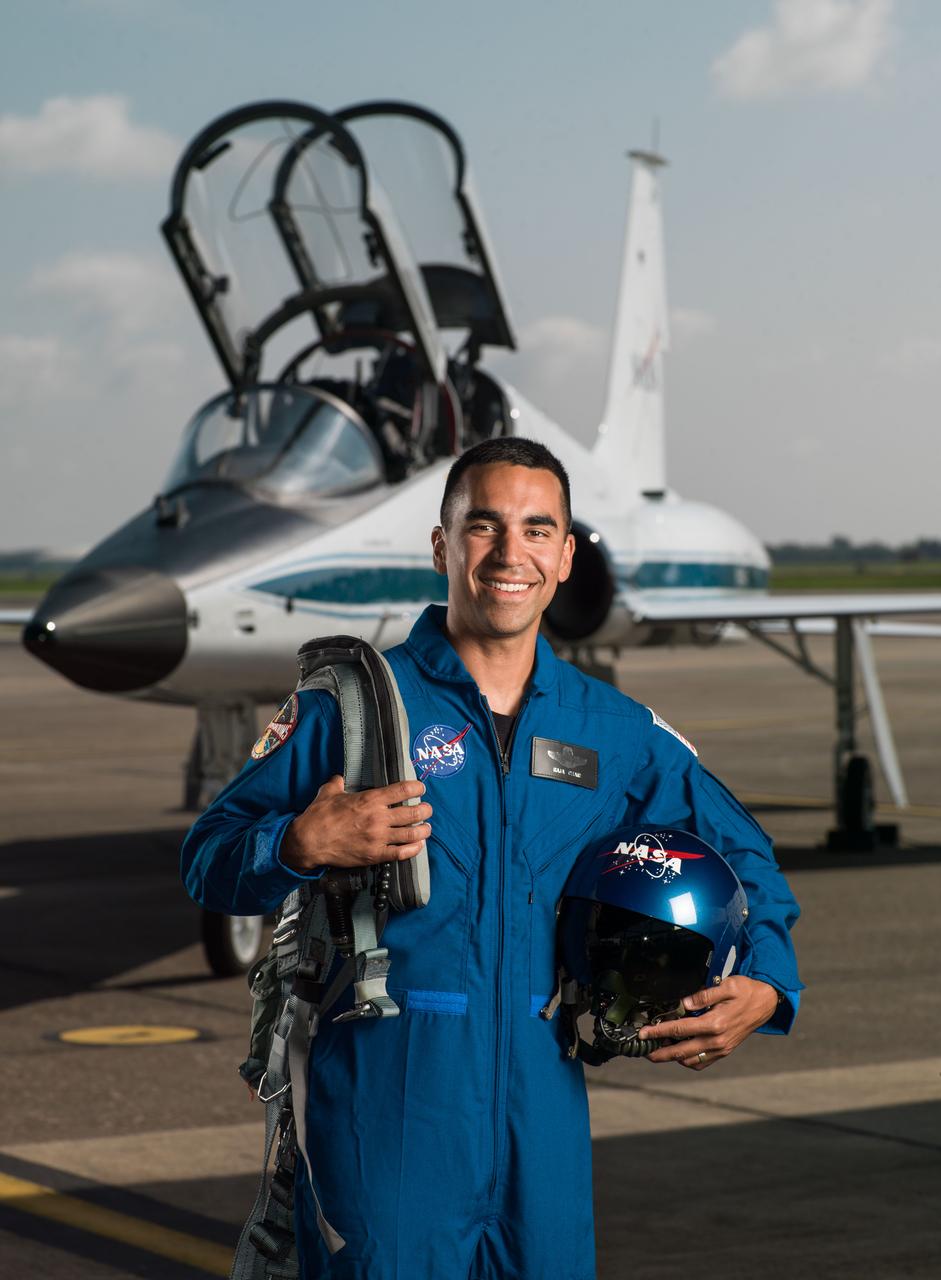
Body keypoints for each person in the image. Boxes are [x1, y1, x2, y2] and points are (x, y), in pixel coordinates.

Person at [181, 437, 802, 1280]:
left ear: (566, 556)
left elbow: (744, 854)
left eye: (538, 530)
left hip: (542, 1097)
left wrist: (765, 982)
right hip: (388, 1098)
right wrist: (299, 842)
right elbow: (209, 856)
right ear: (442, 545)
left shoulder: (613, 730)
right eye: (484, 526)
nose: (511, 553)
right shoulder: (356, 709)